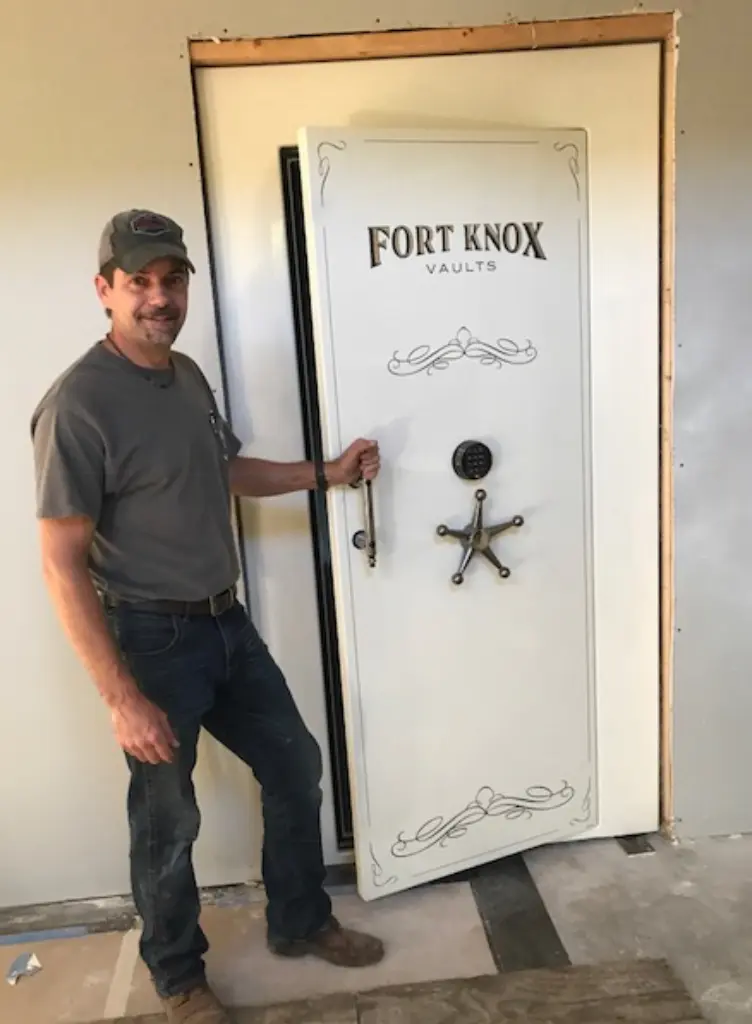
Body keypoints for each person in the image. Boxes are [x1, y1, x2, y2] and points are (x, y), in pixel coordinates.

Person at [30, 210, 384, 1024]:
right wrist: (121, 696)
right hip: (152, 639)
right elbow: (59, 562)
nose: (160, 297)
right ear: (105, 290)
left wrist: (323, 473)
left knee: (295, 765)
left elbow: (224, 469)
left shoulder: (186, 375)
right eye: (139, 282)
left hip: (228, 625)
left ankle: (300, 920)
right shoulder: (79, 404)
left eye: (173, 279)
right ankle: (180, 979)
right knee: (168, 821)